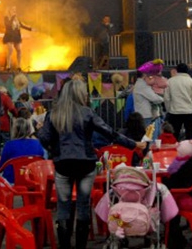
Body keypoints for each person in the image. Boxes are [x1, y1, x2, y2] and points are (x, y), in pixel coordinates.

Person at [36, 79, 146, 249]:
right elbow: (110, 133)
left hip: (63, 164)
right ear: (80, 94)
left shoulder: (54, 114)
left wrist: (54, 150)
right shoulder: (87, 113)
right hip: (86, 163)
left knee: (63, 207)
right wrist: (133, 144)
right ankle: (81, 245)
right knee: (83, 205)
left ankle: (64, 245)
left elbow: (43, 137)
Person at [0, 117, 45, 183]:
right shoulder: (37, 144)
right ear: (28, 129)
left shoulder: (9, 145)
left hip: (12, 181)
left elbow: (1, 166)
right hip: (33, 180)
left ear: (15, 130)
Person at [164, 63, 192, 141]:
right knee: (190, 136)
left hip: (174, 112)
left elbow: (166, 98)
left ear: (176, 70)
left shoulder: (170, 81)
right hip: (189, 112)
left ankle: (174, 152)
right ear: (187, 71)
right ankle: (189, 151)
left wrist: (169, 109)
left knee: (174, 135)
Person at [2, 6, 33, 70]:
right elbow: (9, 25)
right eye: (13, 10)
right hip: (9, 36)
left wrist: (30, 29)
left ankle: (19, 66)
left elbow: (21, 25)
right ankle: (8, 66)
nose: (14, 11)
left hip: (16, 36)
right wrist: (13, 17)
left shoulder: (16, 19)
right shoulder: (6, 18)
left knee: (19, 50)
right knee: (10, 50)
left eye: (15, 10)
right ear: (9, 11)